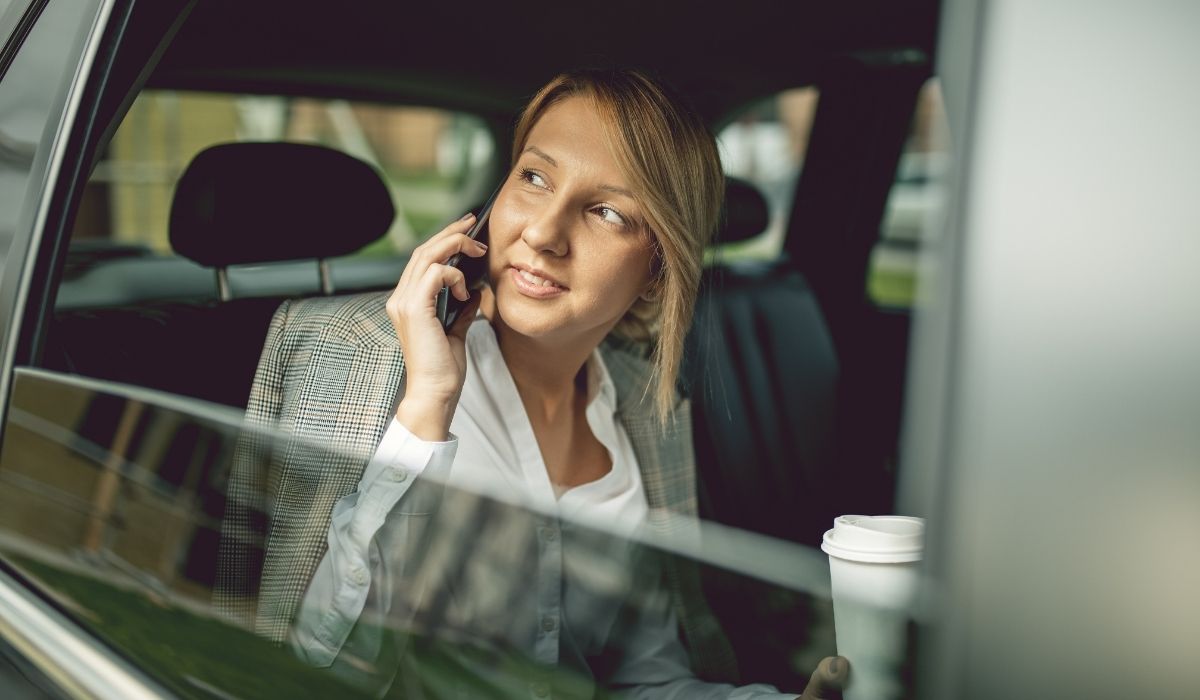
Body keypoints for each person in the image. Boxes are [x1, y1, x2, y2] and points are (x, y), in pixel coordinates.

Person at [218, 69, 847, 699]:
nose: (543, 233)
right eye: (535, 177)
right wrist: (426, 411)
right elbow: (311, 668)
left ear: (658, 271)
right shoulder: (357, 357)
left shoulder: (643, 409)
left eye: (606, 211)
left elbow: (643, 679)